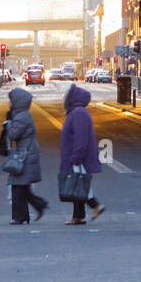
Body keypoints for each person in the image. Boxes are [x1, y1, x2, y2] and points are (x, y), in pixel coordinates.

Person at [60, 85, 105, 224]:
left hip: (79, 158)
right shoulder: (76, 112)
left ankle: (95, 205)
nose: (65, 97)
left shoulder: (78, 113)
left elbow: (81, 138)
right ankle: (78, 216)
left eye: (67, 94)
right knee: (77, 185)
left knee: (79, 184)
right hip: (76, 156)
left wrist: (76, 157)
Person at [4, 88, 46, 224]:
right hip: (27, 152)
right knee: (22, 186)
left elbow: (12, 135)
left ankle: (19, 216)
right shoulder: (23, 115)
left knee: (17, 185)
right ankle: (35, 208)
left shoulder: (22, 117)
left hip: (25, 154)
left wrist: (8, 124)